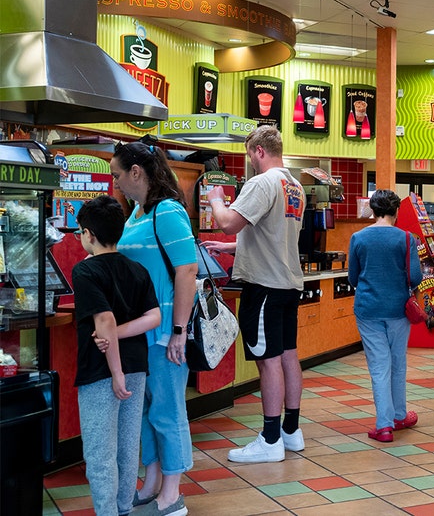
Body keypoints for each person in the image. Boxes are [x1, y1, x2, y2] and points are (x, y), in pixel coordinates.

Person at [202, 125, 307, 462]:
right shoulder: (295, 186)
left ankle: (271, 439)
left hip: (263, 286)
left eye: (249, 154)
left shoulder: (261, 182)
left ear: (259, 151)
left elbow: (229, 221)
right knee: (288, 355)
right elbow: (270, 234)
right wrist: (232, 246)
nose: (250, 161)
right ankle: (291, 431)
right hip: (287, 284)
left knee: (268, 361)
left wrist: (216, 201)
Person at [110, 142, 197, 516]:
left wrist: (178, 330)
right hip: (138, 330)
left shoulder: (168, 211)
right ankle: (152, 481)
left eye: (117, 174)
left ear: (136, 172)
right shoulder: (135, 215)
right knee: (145, 412)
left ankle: (172, 495)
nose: (115, 183)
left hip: (164, 333)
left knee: (167, 410)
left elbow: (187, 271)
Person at [72, 195, 161, 516]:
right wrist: (122, 345)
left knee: (99, 452)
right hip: (137, 368)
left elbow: (105, 321)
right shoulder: (136, 269)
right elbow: (154, 317)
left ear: (89, 234)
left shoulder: (84, 272)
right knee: (126, 448)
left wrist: (116, 371)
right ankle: (123, 509)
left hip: (103, 373)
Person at [347, 189, 422, 442]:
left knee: (379, 365)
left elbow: (353, 278)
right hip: (399, 310)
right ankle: (399, 415)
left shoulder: (358, 237)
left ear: (373, 210)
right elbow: (416, 277)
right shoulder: (406, 238)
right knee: (398, 362)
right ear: (396, 211)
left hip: (368, 310)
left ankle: (384, 426)